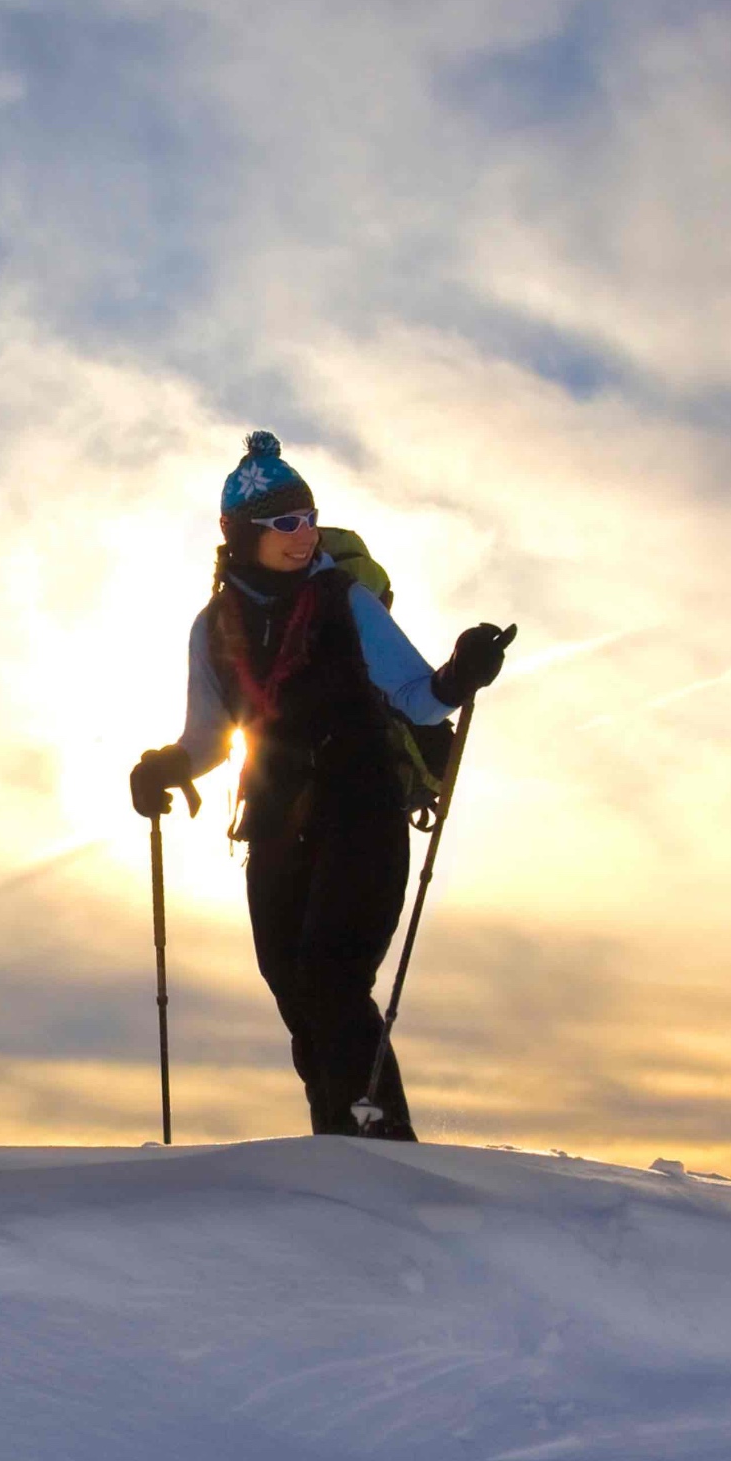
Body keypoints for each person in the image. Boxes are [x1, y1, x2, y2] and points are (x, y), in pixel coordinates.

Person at [128, 431, 514, 1141]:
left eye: (306, 519)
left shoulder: (344, 602)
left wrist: (462, 673)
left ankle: (379, 1147)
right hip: (274, 822)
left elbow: (417, 696)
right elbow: (210, 735)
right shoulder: (214, 628)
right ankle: (337, 1149)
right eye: (282, 524)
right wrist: (167, 768)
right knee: (294, 989)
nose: (301, 535)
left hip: (362, 810)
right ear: (240, 534)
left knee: (333, 979)